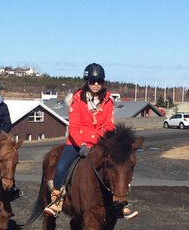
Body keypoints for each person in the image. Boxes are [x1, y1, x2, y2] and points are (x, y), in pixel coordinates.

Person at [44, 62, 137, 219]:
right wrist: (82, 144)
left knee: (119, 166)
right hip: (76, 144)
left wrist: (104, 140)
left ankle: (120, 202)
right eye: (92, 81)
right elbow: (74, 127)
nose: (95, 84)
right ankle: (57, 200)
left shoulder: (108, 101)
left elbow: (109, 126)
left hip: (100, 144)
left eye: (99, 81)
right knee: (60, 168)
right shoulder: (77, 100)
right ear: (87, 82)